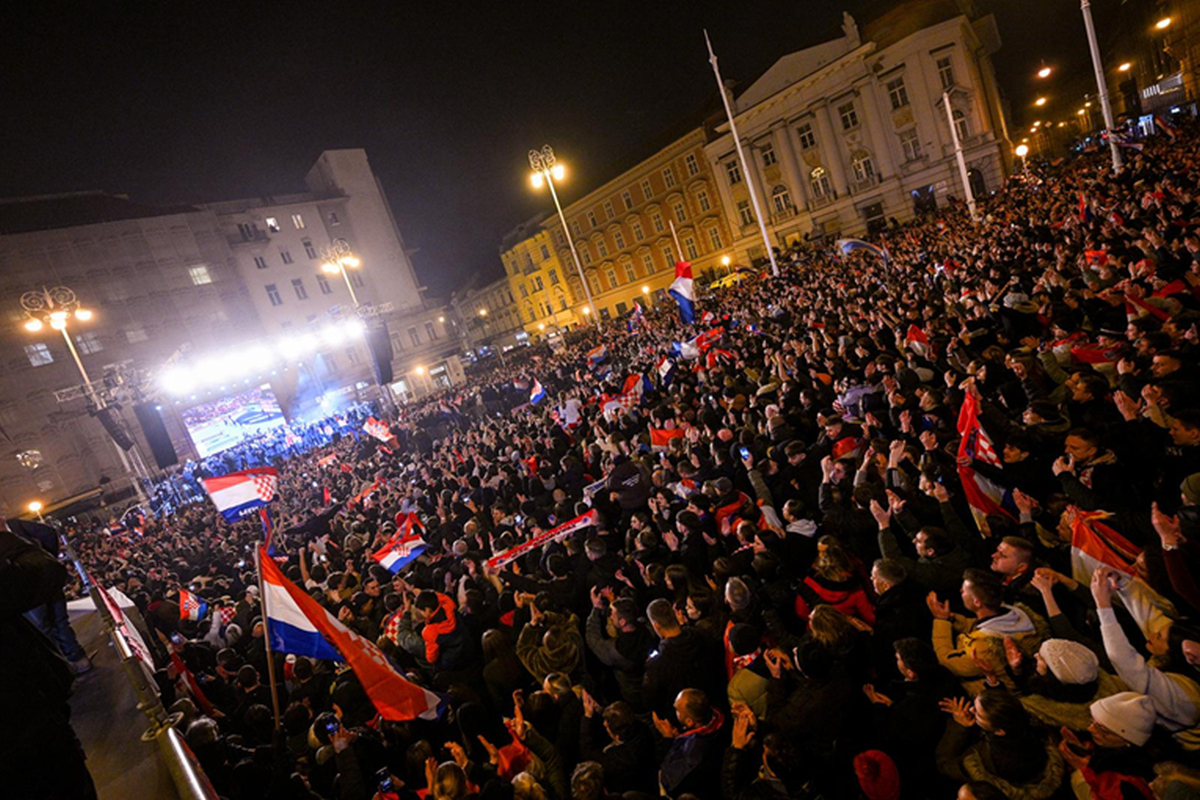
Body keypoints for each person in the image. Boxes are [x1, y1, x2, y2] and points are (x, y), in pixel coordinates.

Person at [0, 520, 97, 799]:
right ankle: (76, 660)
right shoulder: (17, 536)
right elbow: (46, 570)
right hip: (28, 729)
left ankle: (75, 659)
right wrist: (4, 534)